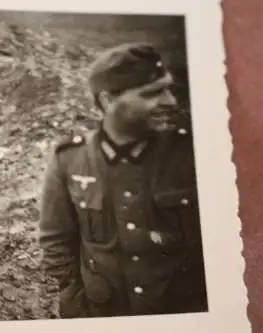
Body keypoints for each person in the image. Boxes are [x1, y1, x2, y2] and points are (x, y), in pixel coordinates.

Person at [38, 42, 207, 318]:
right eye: (152, 93)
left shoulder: (191, 153)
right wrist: (75, 298)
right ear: (107, 101)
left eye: (168, 88)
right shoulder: (70, 158)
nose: (170, 102)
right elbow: (56, 241)